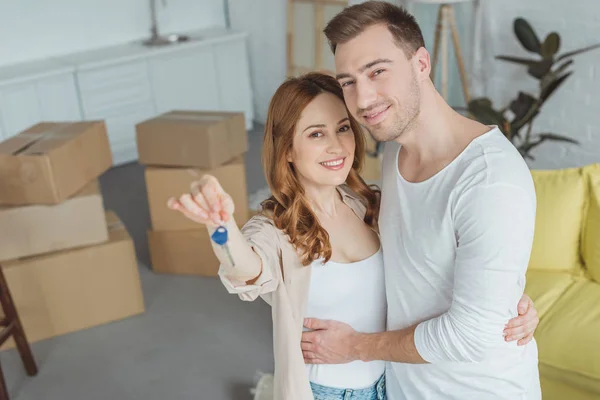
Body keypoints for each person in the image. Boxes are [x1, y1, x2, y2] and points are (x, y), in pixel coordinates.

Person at [167, 72, 539, 399]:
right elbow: (245, 270)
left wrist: (504, 300)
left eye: (343, 127)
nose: (337, 145)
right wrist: (221, 230)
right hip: (324, 391)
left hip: (391, 383)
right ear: (288, 151)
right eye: (316, 133)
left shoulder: (368, 204)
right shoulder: (275, 229)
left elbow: (431, 256)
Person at [300, 2, 542, 399]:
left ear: (421, 63)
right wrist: (497, 294)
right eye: (348, 82)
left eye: (377, 71)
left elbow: (469, 336)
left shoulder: (491, 181)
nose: (363, 100)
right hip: (402, 386)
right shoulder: (395, 148)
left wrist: (355, 346)